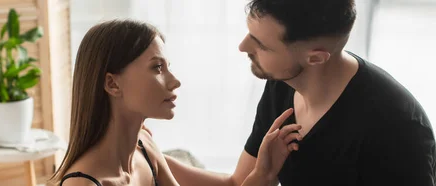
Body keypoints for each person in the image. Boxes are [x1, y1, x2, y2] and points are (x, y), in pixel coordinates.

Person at [162, 0, 436, 186]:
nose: (243, 47)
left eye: (262, 45)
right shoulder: (282, 82)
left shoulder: (398, 129)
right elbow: (238, 182)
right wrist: (150, 156)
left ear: (315, 58)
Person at [49, 19, 303, 186]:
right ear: (112, 84)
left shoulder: (145, 148)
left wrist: (264, 173)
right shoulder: (83, 184)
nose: (175, 82)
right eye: (157, 68)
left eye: (168, 67)